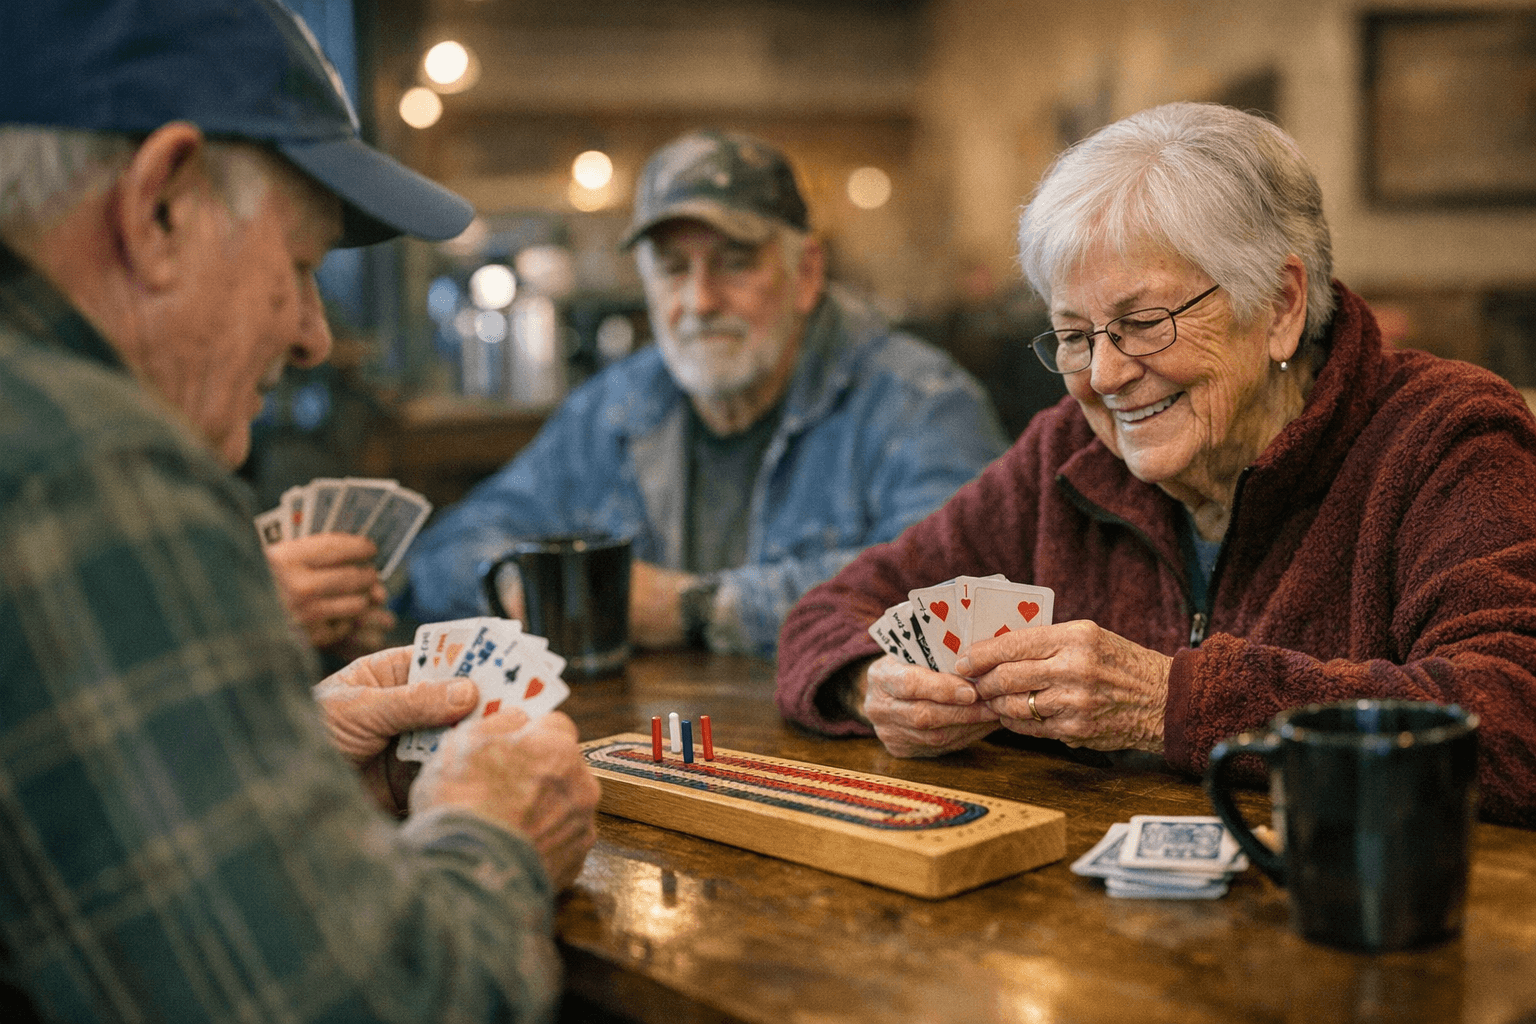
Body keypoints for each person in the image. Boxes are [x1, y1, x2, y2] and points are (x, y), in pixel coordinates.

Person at [0, 1, 600, 1021]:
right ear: (160, 209)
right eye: (301, 267)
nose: (317, 336)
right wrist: (492, 823)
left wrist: (260, 756)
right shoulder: (85, 463)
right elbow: (385, 1005)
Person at [775, 102, 1536, 828]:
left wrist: (1168, 702)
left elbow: (1513, 718)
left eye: (1143, 323)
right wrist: (870, 686)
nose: (1102, 376)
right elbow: (825, 615)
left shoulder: (1445, 437)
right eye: (1074, 334)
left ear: (1279, 306)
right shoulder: (1065, 452)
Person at [404, 129, 1008, 656]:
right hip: (658, 753)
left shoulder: (920, 400)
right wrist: (515, 583)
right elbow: (445, 551)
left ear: (807, 274)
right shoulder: (619, 404)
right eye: (671, 269)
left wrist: (696, 609)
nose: (699, 302)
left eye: (736, 262)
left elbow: (960, 586)